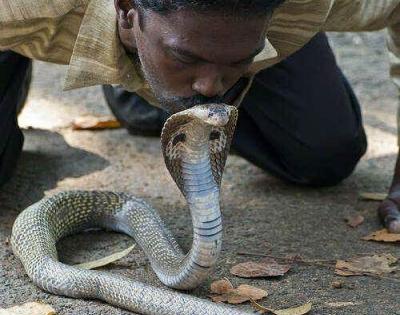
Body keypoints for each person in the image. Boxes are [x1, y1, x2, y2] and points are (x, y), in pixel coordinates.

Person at [1, 0, 400, 232]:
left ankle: (150, 92)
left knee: (322, 153)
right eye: (186, 57)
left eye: (234, 63)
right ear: (126, 10)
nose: (212, 87)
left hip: (244, 29)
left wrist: (233, 55)